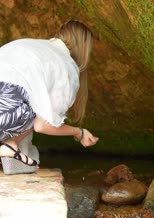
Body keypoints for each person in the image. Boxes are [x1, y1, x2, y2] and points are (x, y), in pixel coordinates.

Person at [0, 20, 99, 174]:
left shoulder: (28, 45)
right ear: (84, 49)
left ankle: (9, 147)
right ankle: (10, 145)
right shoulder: (66, 65)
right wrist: (78, 132)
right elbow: (42, 125)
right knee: (38, 109)